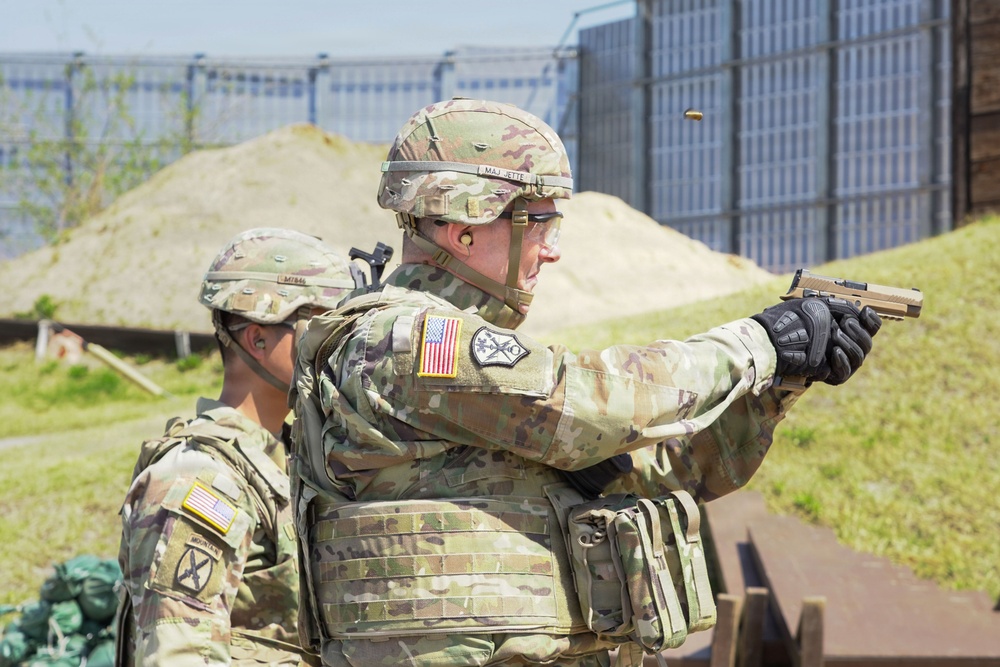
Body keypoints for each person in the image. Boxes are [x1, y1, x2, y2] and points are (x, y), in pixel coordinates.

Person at [289, 99, 882, 667]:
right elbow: (590, 406)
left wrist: (780, 379)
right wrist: (755, 343)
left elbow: (662, 471)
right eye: (539, 221)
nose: (551, 251)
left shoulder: (454, 377)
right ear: (461, 228)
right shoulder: (408, 340)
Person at [115, 228, 362, 666]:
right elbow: (177, 655)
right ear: (259, 339)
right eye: (323, 326)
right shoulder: (200, 478)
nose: (340, 347)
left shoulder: (286, 457)